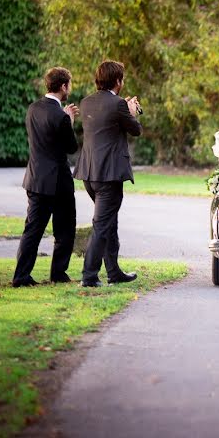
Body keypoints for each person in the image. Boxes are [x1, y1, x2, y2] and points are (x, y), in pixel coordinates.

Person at [74, 61, 142, 287]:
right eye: (122, 79)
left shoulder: (86, 102)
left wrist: (125, 108)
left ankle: (114, 272)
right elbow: (136, 130)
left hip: (89, 173)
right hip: (109, 175)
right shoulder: (118, 105)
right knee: (102, 225)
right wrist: (132, 111)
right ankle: (89, 276)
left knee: (108, 222)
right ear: (118, 81)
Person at [12, 67, 80, 287]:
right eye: (69, 84)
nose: (69, 88)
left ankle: (21, 276)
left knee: (32, 229)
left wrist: (64, 118)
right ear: (63, 86)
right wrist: (69, 120)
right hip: (58, 182)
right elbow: (71, 147)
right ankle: (58, 273)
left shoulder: (33, 108)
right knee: (65, 228)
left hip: (34, 178)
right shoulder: (60, 116)